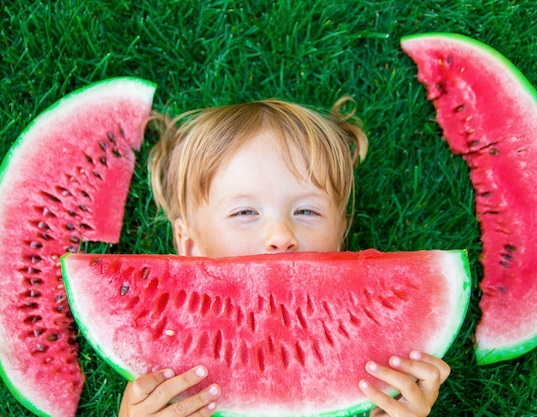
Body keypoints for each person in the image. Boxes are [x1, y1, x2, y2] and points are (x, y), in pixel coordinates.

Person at [118, 98, 450, 417]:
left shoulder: (373, 366)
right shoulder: (172, 371)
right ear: (189, 244)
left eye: (306, 210)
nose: (281, 237)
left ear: (341, 235)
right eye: (245, 212)